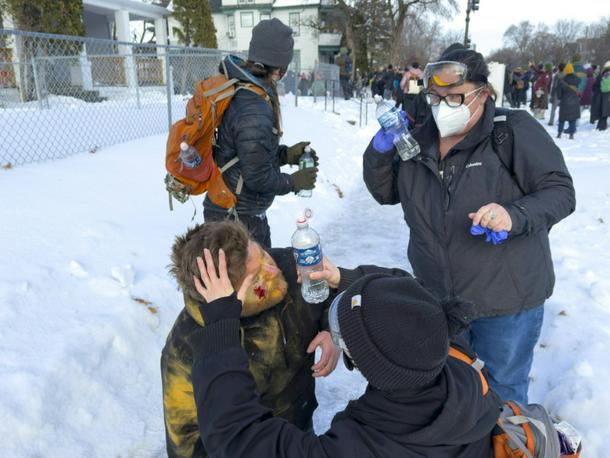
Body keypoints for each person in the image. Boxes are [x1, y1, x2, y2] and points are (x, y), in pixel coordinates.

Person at [363, 49, 576, 403]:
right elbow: (385, 193)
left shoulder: (512, 131)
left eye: (455, 97)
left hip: (506, 304)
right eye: (436, 97)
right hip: (440, 303)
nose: (442, 107)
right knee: (452, 395)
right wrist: (379, 152)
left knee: (502, 395)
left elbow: (560, 192)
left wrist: (513, 214)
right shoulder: (417, 140)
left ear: (483, 93)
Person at [187, 251, 503, 457]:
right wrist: (343, 278)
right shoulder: (455, 356)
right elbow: (409, 294)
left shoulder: (365, 447)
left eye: (347, 340)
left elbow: (241, 440)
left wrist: (220, 328)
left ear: (371, 366)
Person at [161, 221, 340, 457]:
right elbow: (186, 443)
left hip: (300, 426)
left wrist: (332, 330)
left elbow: (331, 294)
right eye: (257, 278)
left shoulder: (290, 265)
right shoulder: (186, 350)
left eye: (262, 254)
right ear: (223, 295)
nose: (273, 270)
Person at [202, 18, 318, 248]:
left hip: (238, 215)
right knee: (257, 274)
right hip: (234, 222)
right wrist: (294, 182)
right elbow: (256, 177)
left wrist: (285, 155)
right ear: (280, 67)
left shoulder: (247, 90)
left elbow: (249, 154)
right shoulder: (253, 106)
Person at [556, 63, 581, 139]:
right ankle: (571, 135)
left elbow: (559, 95)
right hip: (575, 102)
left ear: (565, 71)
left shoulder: (562, 81)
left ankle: (559, 134)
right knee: (572, 119)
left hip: (564, 103)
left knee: (562, 119)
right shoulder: (578, 80)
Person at [591, 61, 610, 131]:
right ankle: (602, 127)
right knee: (606, 112)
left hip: (600, 97)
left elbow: (594, 87)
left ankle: (600, 126)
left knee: (602, 112)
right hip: (608, 96)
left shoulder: (601, 75)